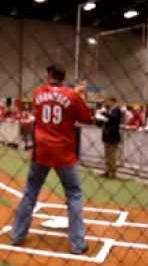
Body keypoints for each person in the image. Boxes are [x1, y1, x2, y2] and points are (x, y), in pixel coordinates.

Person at [11, 64, 93, 255]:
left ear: (49, 75)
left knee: (31, 192)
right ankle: (77, 244)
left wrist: (72, 94)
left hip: (42, 151)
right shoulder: (72, 96)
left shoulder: (38, 92)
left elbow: (47, 104)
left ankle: (17, 235)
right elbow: (87, 118)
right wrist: (78, 95)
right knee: (73, 195)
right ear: (63, 77)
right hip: (64, 152)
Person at [96, 97, 122, 178]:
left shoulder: (117, 110)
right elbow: (107, 120)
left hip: (113, 136)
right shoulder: (109, 110)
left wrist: (103, 113)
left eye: (108, 101)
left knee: (112, 155)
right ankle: (107, 170)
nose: (107, 103)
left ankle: (113, 172)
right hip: (107, 135)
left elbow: (113, 118)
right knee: (107, 154)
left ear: (112, 101)